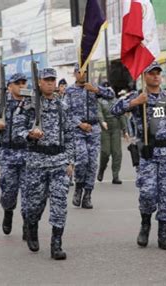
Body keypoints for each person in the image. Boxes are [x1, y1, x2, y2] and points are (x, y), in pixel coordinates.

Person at [110, 62, 166, 250]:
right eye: (151, 73)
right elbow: (115, 110)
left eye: (158, 74)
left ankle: (163, 234)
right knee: (147, 193)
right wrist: (135, 103)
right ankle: (145, 224)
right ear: (144, 76)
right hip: (148, 153)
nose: (155, 76)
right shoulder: (138, 97)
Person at [19, 68, 74, 260]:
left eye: (53, 80)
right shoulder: (29, 105)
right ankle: (32, 226)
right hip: (37, 161)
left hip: (58, 161)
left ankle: (56, 244)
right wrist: (29, 134)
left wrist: (70, 160)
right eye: (47, 80)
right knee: (34, 204)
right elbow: (18, 129)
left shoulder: (63, 105)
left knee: (60, 203)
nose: (50, 83)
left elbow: (69, 134)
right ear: (39, 83)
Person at [64, 64, 114, 209]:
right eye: (80, 72)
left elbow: (111, 95)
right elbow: (66, 112)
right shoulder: (69, 91)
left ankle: (87, 194)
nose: (83, 74)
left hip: (94, 128)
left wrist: (96, 89)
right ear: (74, 74)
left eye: (85, 71)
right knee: (82, 159)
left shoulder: (93, 87)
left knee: (92, 163)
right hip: (78, 130)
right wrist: (79, 124)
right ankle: (78, 187)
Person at [0, 73, 31, 239]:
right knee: (9, 191)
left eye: (24, 82)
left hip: (28, 152)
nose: (22, 86)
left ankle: (27, 224)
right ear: (9, 86)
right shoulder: (1, 104)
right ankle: (8, 211)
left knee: (28, 191)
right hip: (8, 153)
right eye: (18, 83)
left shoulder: (32, 103)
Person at [97, 81, 129, 184]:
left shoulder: (116, 101)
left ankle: (115, 176)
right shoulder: (100, 101)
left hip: (115, 128)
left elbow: (122, 115)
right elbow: (99, 112)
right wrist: (102, 121)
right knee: (105, 152)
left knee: (117, 153)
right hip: (105, 129)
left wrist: (125, 130)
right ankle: (101, 169)